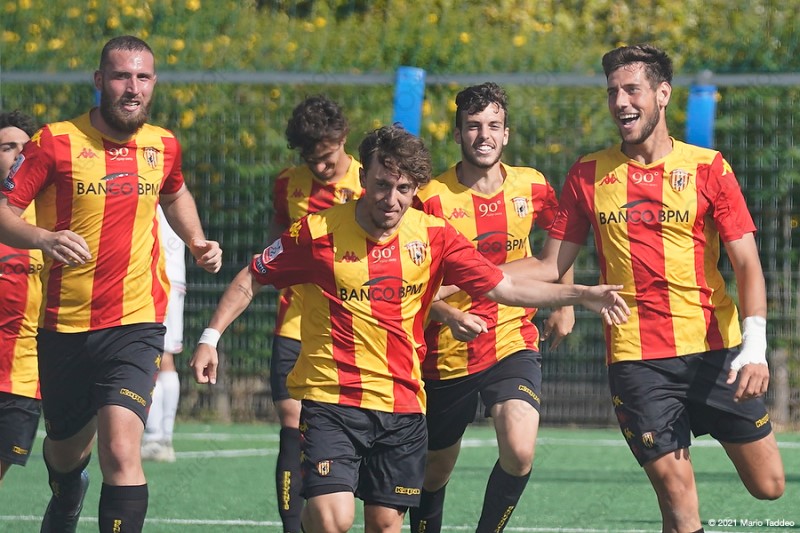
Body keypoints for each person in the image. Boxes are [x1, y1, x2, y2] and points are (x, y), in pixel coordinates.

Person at [190, 125, 628, 533]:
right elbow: (252, 277)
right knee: (332, 518)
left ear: (415, 189)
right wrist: (211, 338)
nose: (391, 199)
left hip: (402, 402)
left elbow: (506, 286)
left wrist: (581, 295)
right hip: (333, 399)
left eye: (403, 189)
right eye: (382, 185)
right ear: (364, 178)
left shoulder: (435, 235)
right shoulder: (318, 231)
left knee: (385, 524)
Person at [519, 44, 785, 533]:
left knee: (769, 485)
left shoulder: (709, 167)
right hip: (637, 361)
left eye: (631, 90)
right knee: (678, 497)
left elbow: (747, 264)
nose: (620, 102)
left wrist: (755, 350)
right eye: (612, 92)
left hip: (718, 351)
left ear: (663, 94)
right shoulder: (588, 174)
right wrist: (464, 275)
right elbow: (549, 264)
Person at [0, 35, 222, 533]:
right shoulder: (54, 141)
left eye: (142, 77)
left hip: (136, 323)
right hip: (64, 326)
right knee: (64, 453)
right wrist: (43, 238)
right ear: (100, 80)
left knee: (121, 450)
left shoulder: (162, 144)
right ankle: (66, 490)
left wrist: (197, 240)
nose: (132, 88)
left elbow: (175, 192)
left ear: (154, 84)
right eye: (122, 76)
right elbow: (4, 212)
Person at [410, 82, 574, 533]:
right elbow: (414, 282)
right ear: (457, 133)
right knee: (434, 471)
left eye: (493, 125)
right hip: (447, 349)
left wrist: (564, 302)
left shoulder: (533, 185)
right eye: (473, 126)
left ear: (506, 133)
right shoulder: (430, 198)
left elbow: (562, 242)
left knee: (520, 451)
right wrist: (448, 314)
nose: (484, 135)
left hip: (511, 338)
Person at [267, 95, 362, 533]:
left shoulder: (372, 181)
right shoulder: (288, 184)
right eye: (312, 160)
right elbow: (275, 236)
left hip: (355, 329)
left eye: (328, 157)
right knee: (292, 423)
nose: (321, 167)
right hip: (295, 322)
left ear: (343, 139)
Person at [0, 110, 42, 485]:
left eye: (24, 148)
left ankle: (69, 487)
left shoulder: (52, 215)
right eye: (6, 147)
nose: (17, 154)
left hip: (23, 376)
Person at [141, 206, 186, 463]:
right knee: (165, 357)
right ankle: (163, 438)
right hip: (172, 276)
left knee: (152, 357)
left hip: (154, 277)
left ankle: (156, 438)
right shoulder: (176, 192)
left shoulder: (154, 186)